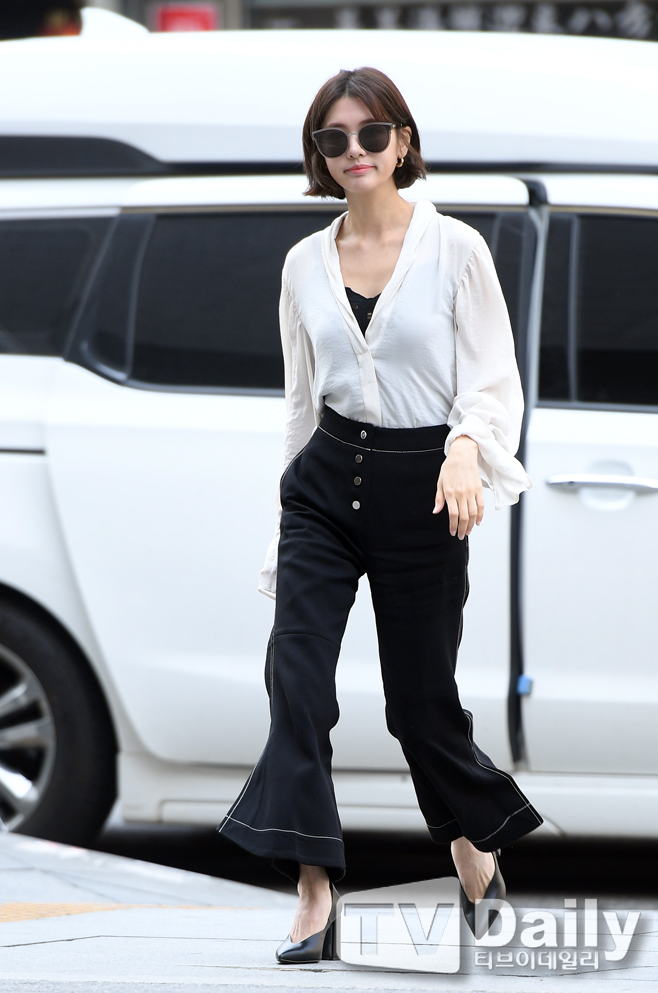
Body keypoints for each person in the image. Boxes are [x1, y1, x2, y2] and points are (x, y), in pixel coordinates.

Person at [218, 66, 543, 961]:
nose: (354, 151)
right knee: (297, 682)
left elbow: (492, 378)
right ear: (318, 154)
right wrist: (285, 526)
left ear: (403, 141)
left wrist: (467, 447)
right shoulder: (302, 263)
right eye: (334, 138)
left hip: (424, 486)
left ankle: (473, 849)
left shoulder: (457, 250)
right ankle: (315, 888)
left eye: (371, 133)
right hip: (324, 485)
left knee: (419, 704)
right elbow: (300, 401)